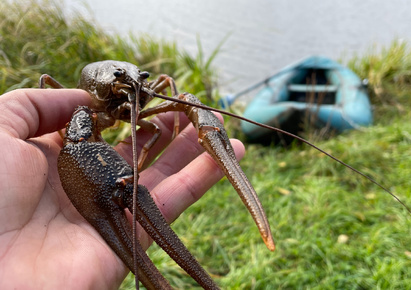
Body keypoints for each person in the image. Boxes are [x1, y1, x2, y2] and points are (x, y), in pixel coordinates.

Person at [0, 89, 245, 289]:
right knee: (81, 140)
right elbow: (77, 135)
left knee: (185, 101)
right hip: (94, 120)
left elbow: (168, 106)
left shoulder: (139, 93)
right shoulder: (87, 110)